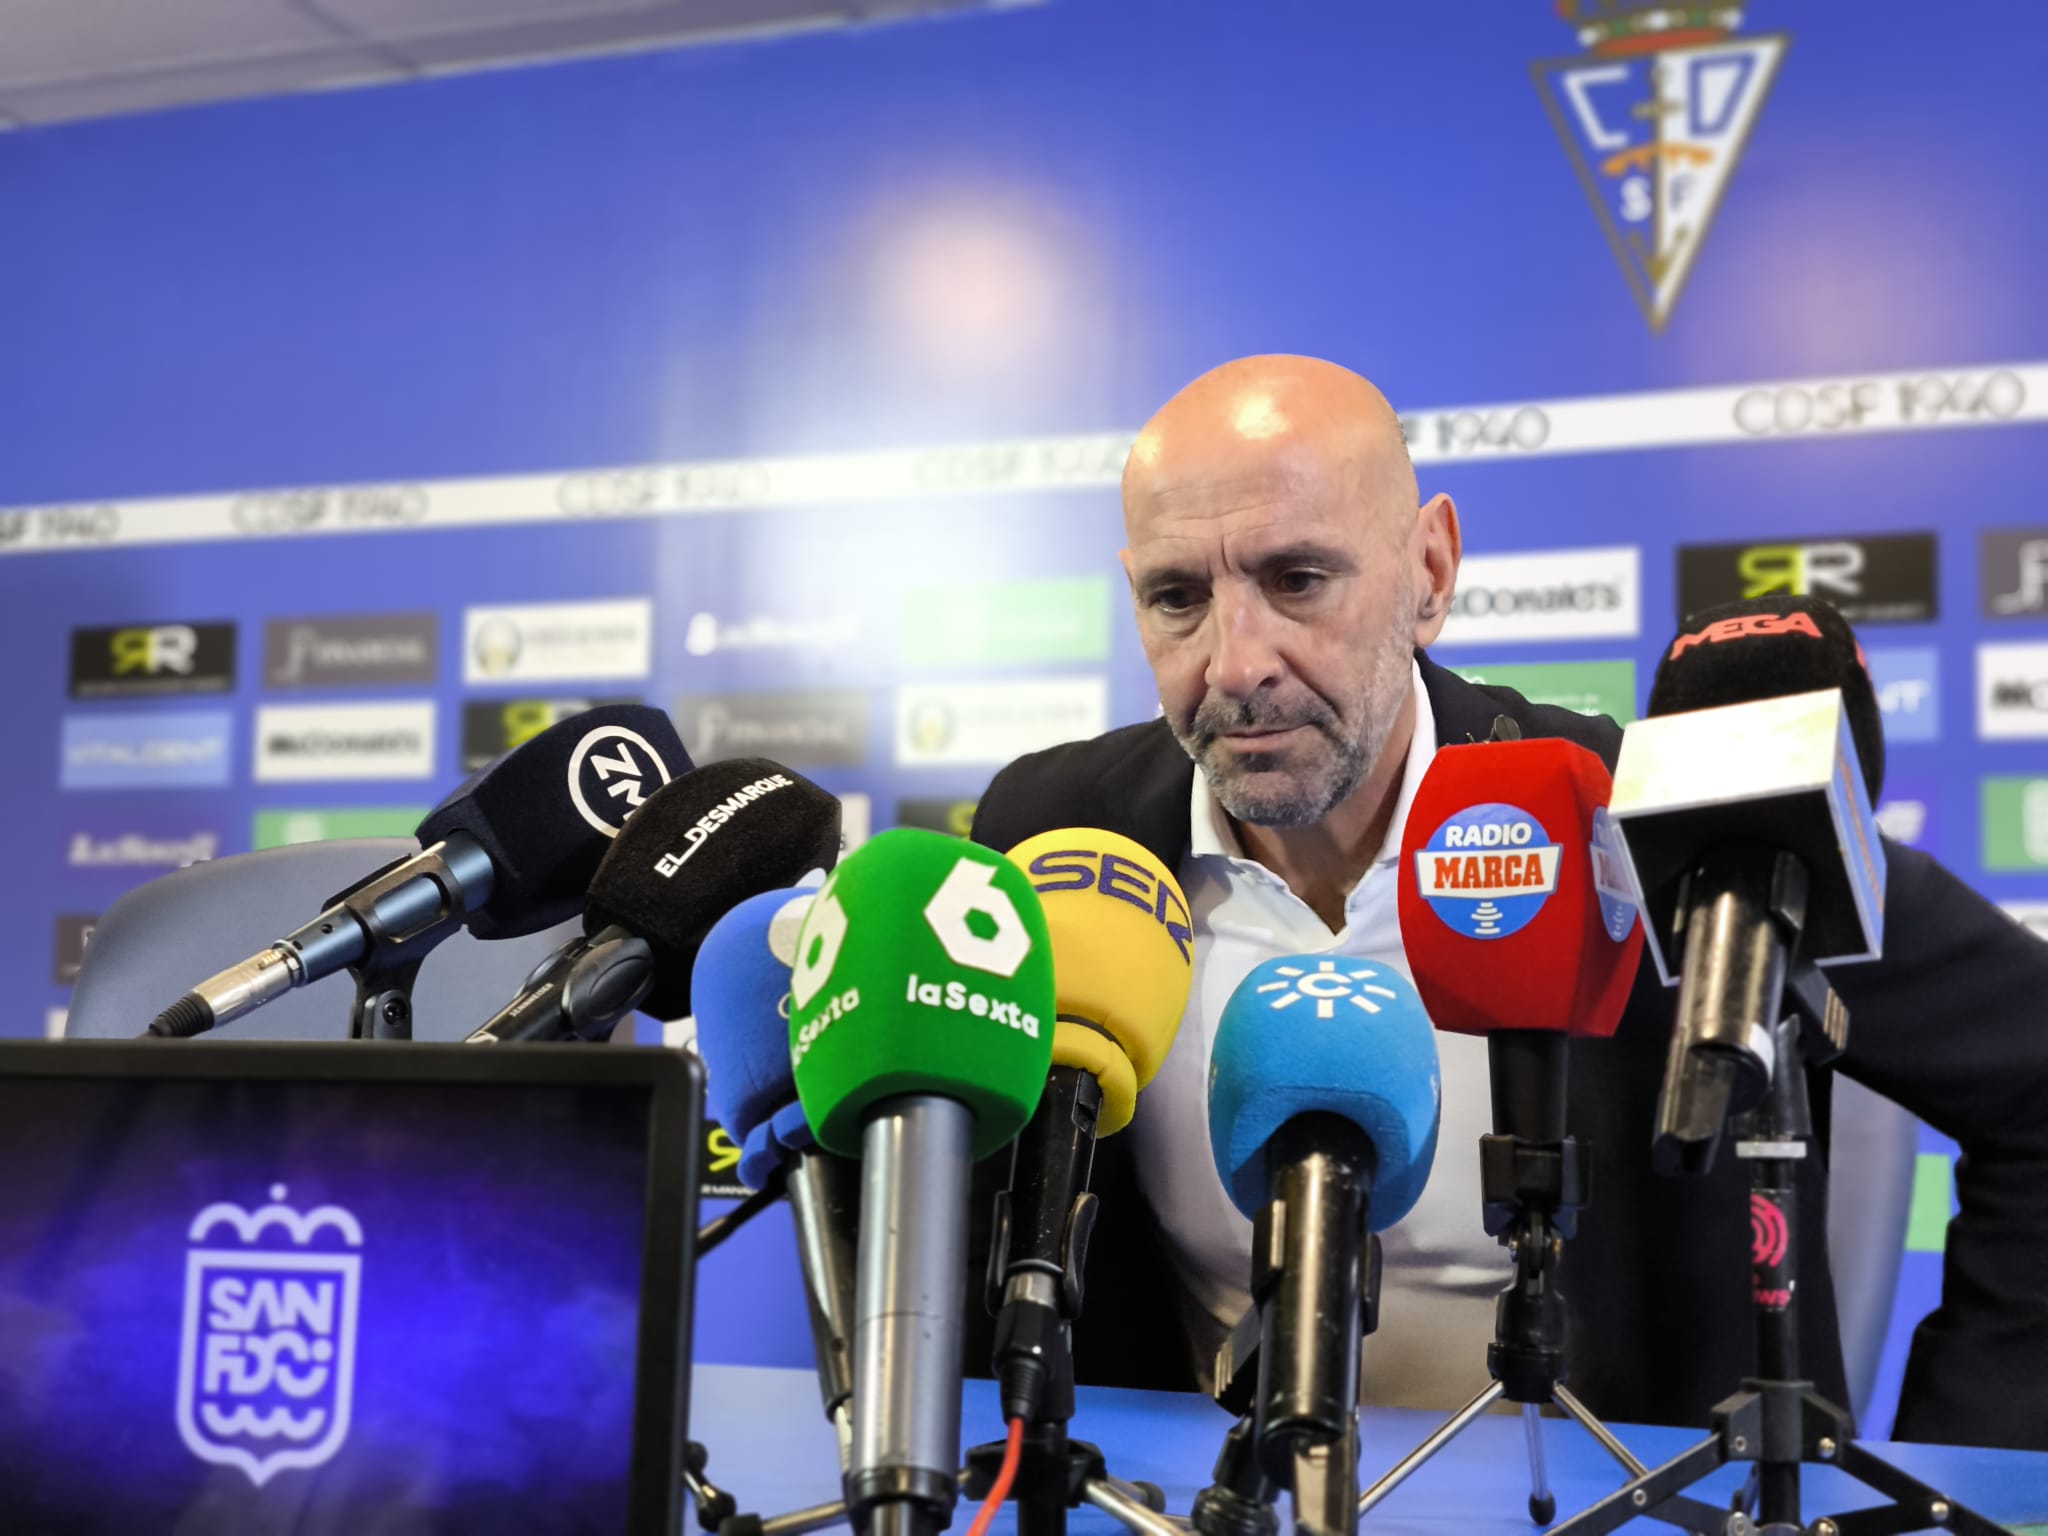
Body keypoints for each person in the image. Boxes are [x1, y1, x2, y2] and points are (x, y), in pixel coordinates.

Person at [967, 355, 2048, 1450]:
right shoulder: (1058, 832)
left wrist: (1969, 1458)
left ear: (1429, 570)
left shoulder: (1663, 814)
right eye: (1176, 597)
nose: (1234, 662)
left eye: (1296, 579)